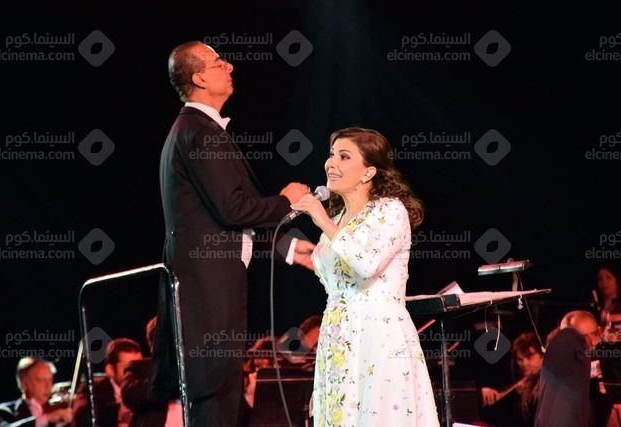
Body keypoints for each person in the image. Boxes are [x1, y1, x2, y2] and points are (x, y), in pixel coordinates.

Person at [151, 40, 314, 427]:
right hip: (205, 290)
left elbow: (223, 219)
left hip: (211, 286)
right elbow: (233, 208)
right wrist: (287, 202)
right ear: (199, 78)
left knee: (223, 393)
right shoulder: (198, 132)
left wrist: (288, 247)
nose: (230, 67)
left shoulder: (197, 129)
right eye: (218, 62)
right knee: (214, 394)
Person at [290, 127, 439, 425]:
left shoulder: (389, 211)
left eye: (344, 156)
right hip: (337, 335)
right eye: (332, 154)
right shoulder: (337, 219)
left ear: (368, 172)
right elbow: (336, 277)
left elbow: (367, 263)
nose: (331, 163)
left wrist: (321, 220)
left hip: (377, 336)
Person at [73, 338, 143, 427]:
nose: (135, 372)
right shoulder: (93, 388)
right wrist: (119, 411)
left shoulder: (145, 387)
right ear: (110, 370)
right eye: (128, 369)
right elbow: (80, 415)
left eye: (138, 366)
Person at [0, 357, 73, 427]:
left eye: (50, 380)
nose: (48, 386)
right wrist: (47, 418)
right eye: (41, 380)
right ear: (24, 383)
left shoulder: (59, 406)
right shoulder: (6, 410)